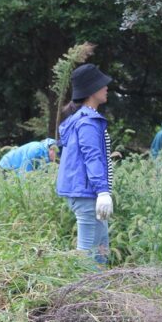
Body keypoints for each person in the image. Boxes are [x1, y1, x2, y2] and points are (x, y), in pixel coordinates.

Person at [56, 63, 114, 265]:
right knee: (87, 254)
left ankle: (100, 292)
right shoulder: (87, 122)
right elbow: (92, 157)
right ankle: (79, 294)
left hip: (87, 192)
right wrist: (103, 191)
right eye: (102, 84)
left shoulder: (81, 118)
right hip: (87, 193)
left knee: (101, 251)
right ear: (92, 90)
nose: (107, 87)